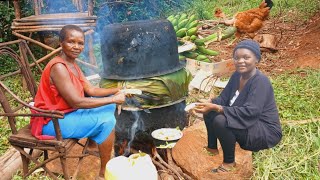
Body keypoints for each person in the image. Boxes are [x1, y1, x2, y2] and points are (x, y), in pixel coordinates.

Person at [30, 25, 126, 179]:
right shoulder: (59, 67)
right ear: (61, 43)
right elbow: (76, 102)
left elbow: (91, 91)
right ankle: (103, 174)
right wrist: (114, 98)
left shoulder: (72, 64)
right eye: (71, 42)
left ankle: (94, 144)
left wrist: (116, 91)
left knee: (109, 106)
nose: (76, 47)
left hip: (65, 114)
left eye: (80, 43)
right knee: (107, 121)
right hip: (52, 121)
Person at [194, 39, 282, 172]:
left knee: (220, 120)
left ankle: (229, 163)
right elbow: (223, 99)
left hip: (263, 129)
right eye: (237, 58)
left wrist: (217, 108)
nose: (241, 61)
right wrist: (209, 103)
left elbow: (251, 112)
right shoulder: (237, 75)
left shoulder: (261, 81)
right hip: (248, 121)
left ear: (256, 59)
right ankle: (212, 148)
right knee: (210, 111)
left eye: (246, 57)